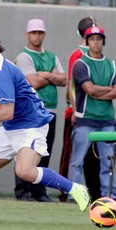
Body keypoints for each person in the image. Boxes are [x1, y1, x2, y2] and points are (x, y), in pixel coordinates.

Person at [0, 28, 90, 222]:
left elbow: (7, 112)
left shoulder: (1, 71)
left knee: (24, 171)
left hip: (32, 126)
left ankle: (75, 188)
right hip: (11, 127)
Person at [14, 19, 67, 202]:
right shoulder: (24, 56)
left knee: (44, 153)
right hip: (30, 111)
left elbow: (64, 80)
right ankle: (23, 191)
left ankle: (39, 192)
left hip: (50, 110)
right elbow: (33, 82)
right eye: (33, 32)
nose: (37, 36)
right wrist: (51, 75)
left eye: (40, 32)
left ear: (44, 34)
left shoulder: (51, 56)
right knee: (25, 150)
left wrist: (42, 74)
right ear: (27, 34)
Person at [68, 26, 116, 199]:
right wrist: (106, 90)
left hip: (108, 120)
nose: (96, 42)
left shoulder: (111, 64)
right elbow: (89, 90)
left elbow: (115, 92)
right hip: (85, 119)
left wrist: (99, 91)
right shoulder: (81, 63)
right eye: (92, 39)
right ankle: (74, 196)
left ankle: (109, 197)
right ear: (87, 41)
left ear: (103, 41)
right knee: (77, 162)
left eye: (99, 38)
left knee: (108, 162)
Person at [58, 17, 101, 203]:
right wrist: (74, 109)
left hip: (95, 115)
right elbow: (71, 84)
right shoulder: (78, 54)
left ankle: (95, 194)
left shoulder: (97, 55)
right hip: (79, 114)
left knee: (93, 158)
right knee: (71, 156)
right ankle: (66, 192)